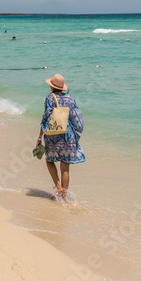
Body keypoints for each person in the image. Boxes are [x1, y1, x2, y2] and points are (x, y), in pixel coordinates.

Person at [36, 73, 85, 201]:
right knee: (65, 167)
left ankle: (59, 187)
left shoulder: (49, 98)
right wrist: (76, 132)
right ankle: (64, 197)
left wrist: (40, 137)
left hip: (54, 134)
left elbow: (45, 119)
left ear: (52, 87)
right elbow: (77, 118)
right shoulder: (70, 99)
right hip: (68, 135)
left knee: (49, 161)